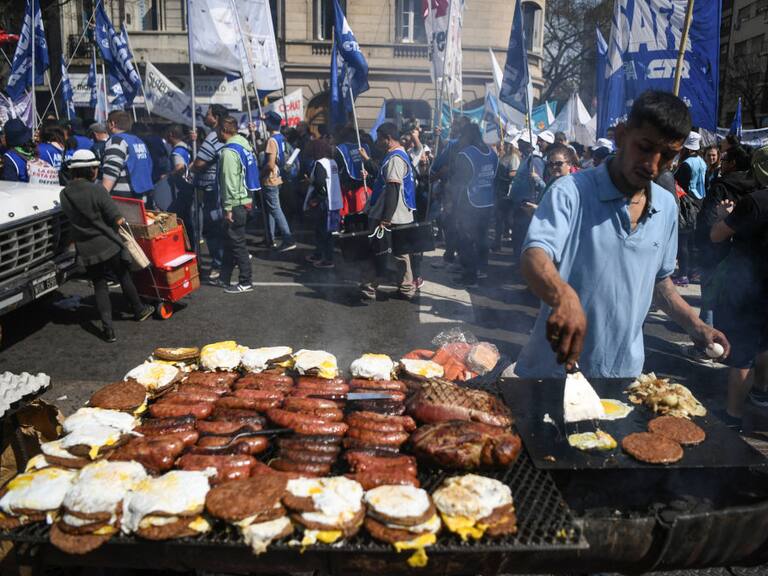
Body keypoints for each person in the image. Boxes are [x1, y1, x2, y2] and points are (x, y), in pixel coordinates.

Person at [514, 90, 729, 378]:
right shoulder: (570, 191)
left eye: (666, 155)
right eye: (644, 147)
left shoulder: (666, 206)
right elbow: (534, 255)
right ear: (621, 136)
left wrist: (695, 324)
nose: (653, 165)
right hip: (552, 371)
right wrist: (563, 296)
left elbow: (659, 282)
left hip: (623, 375)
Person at [59, 150, 153, 343]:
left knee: (99, 286)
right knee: (124, 276)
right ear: (88, 170)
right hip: (109, 243)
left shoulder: (64, 194)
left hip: (87, 249)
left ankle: (108, 329)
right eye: (94, 167)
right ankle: (139, 309)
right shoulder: (97, 190)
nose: (96, 170)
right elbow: (117, 219)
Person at [709, 146, 768, 427]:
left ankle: (732, 415)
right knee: (766, 342)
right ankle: (760, 393)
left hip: (751, 285)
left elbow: (717, 235)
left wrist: (724, 215)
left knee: (742, 353)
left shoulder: (755, 201)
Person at [695, 145, 755, 327]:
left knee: (710, 299)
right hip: (743, 254)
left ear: (732, 164)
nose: (721, 163)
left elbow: (708, 219)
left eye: (724, 160)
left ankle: (705, 343)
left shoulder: (721, 186)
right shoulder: (756, 186)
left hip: (716, 250)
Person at [361, 122, 417, 301]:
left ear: (388, 138)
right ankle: (406, 288)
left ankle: (369, 286)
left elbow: (393, 187)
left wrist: (385, 218)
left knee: (377, 251)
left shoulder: (395, 158)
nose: (378, 141)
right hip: (400, 214)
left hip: (390, 215)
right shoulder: (397, 155)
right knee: (401, 253)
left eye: (380, 138)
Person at [452, 122, 499, 287]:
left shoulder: (465, 154)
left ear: (466, 136)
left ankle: (470, 276)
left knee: (465, 240)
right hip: (487, 202)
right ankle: (482, 270)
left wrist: (452, 204)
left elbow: (459, 182)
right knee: (482, 238)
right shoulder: (492, 153)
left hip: (469, 203)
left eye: (461, 136)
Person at [216, 116, 258, 294]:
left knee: (238, 243)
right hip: (247, 199)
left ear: (224, 130)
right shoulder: (245, 146)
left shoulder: (229, 152)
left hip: (236, 203)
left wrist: (227, 208)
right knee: (230, 240)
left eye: (218, 130)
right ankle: (224, 277)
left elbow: (229, 182)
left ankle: (246, 281)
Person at [191, 104, 228, 279]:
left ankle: (218, 264)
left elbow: (199, 163)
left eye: (208, 114)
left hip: (212, 188)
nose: (205, 116)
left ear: (216, 118)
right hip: (223, 188)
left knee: (212, 228)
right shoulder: (225, 135)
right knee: (221, 226)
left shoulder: (214, 136)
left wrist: (195, 167)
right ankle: (224, 261)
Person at [673, 131, 707, 286]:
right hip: (700, 202)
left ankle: (682, 274)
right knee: (693, 241)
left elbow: (679, 185)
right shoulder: (702, 161)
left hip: (687, 204)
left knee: (683, 241)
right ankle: (693, 271)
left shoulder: (686, 164)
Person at [100, 110, 154, 202]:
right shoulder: (139, 141)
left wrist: (101, 198)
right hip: (141, 196)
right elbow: (149, 165)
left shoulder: (117, 141)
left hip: (122, 200)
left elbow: (111, 171)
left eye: (106, 123)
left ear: (112, 124)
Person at [304, 138, 343, 269]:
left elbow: (320, 183)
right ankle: (320, 254)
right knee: (327, 231)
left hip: (325, 203)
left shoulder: (319, 163)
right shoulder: (332, 162)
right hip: (335, 200)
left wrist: (316, 196)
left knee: (323, 231)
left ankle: (327, 259)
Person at [261, 110, 296, 251]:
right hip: (278, 176)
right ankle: (270, 237)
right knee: (272, 208)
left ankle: (288, 239)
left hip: (270, 178)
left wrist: (259, 175)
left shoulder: (271, 140)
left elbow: (269, 164)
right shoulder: (281, 137)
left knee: (275, 209)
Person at [509, 132, 545, 263]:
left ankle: (522, 268)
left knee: (522, 237)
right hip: (518, 204)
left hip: (527, 205)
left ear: (529, 144)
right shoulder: (525, 158)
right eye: (519, 142)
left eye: (522, 142)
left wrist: (535, 178)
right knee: (517, 237)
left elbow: (540, 184)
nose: (519, 144)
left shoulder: (535, 160)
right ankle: (517, 265)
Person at [166, 125, 196, 244]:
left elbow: (180, 167)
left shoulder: (177, 152)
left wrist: (169, 175)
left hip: (182, 188)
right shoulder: (187, 148)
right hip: (190, 185)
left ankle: (185, 244)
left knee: (181, 219)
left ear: (171, 135)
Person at [492, 139, 520, 252]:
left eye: (508, 143)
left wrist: (505, 174)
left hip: (507, 191)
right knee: (498, 218)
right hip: (500, 191)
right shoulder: (504, 156)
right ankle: (496, 242)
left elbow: (514, 173)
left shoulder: (513, 157)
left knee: (509, 219)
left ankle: (515, 244)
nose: (505, 145)